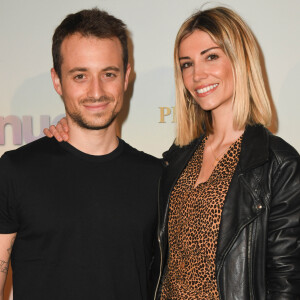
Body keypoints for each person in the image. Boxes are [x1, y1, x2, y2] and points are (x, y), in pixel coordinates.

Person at [46, 6, 300, 300]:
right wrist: (71, 132)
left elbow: (286, 282)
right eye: (186, 64)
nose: (197, 74)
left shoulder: (277, 164)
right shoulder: (178, 158)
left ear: (240, 59)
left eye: (211, 56)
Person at [0, 8, 162, 300]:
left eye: (108, 74)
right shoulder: (16, 170)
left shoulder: (158, 177)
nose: (96, 91)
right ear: (57, 80)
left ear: (126, 77)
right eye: (80, 76)